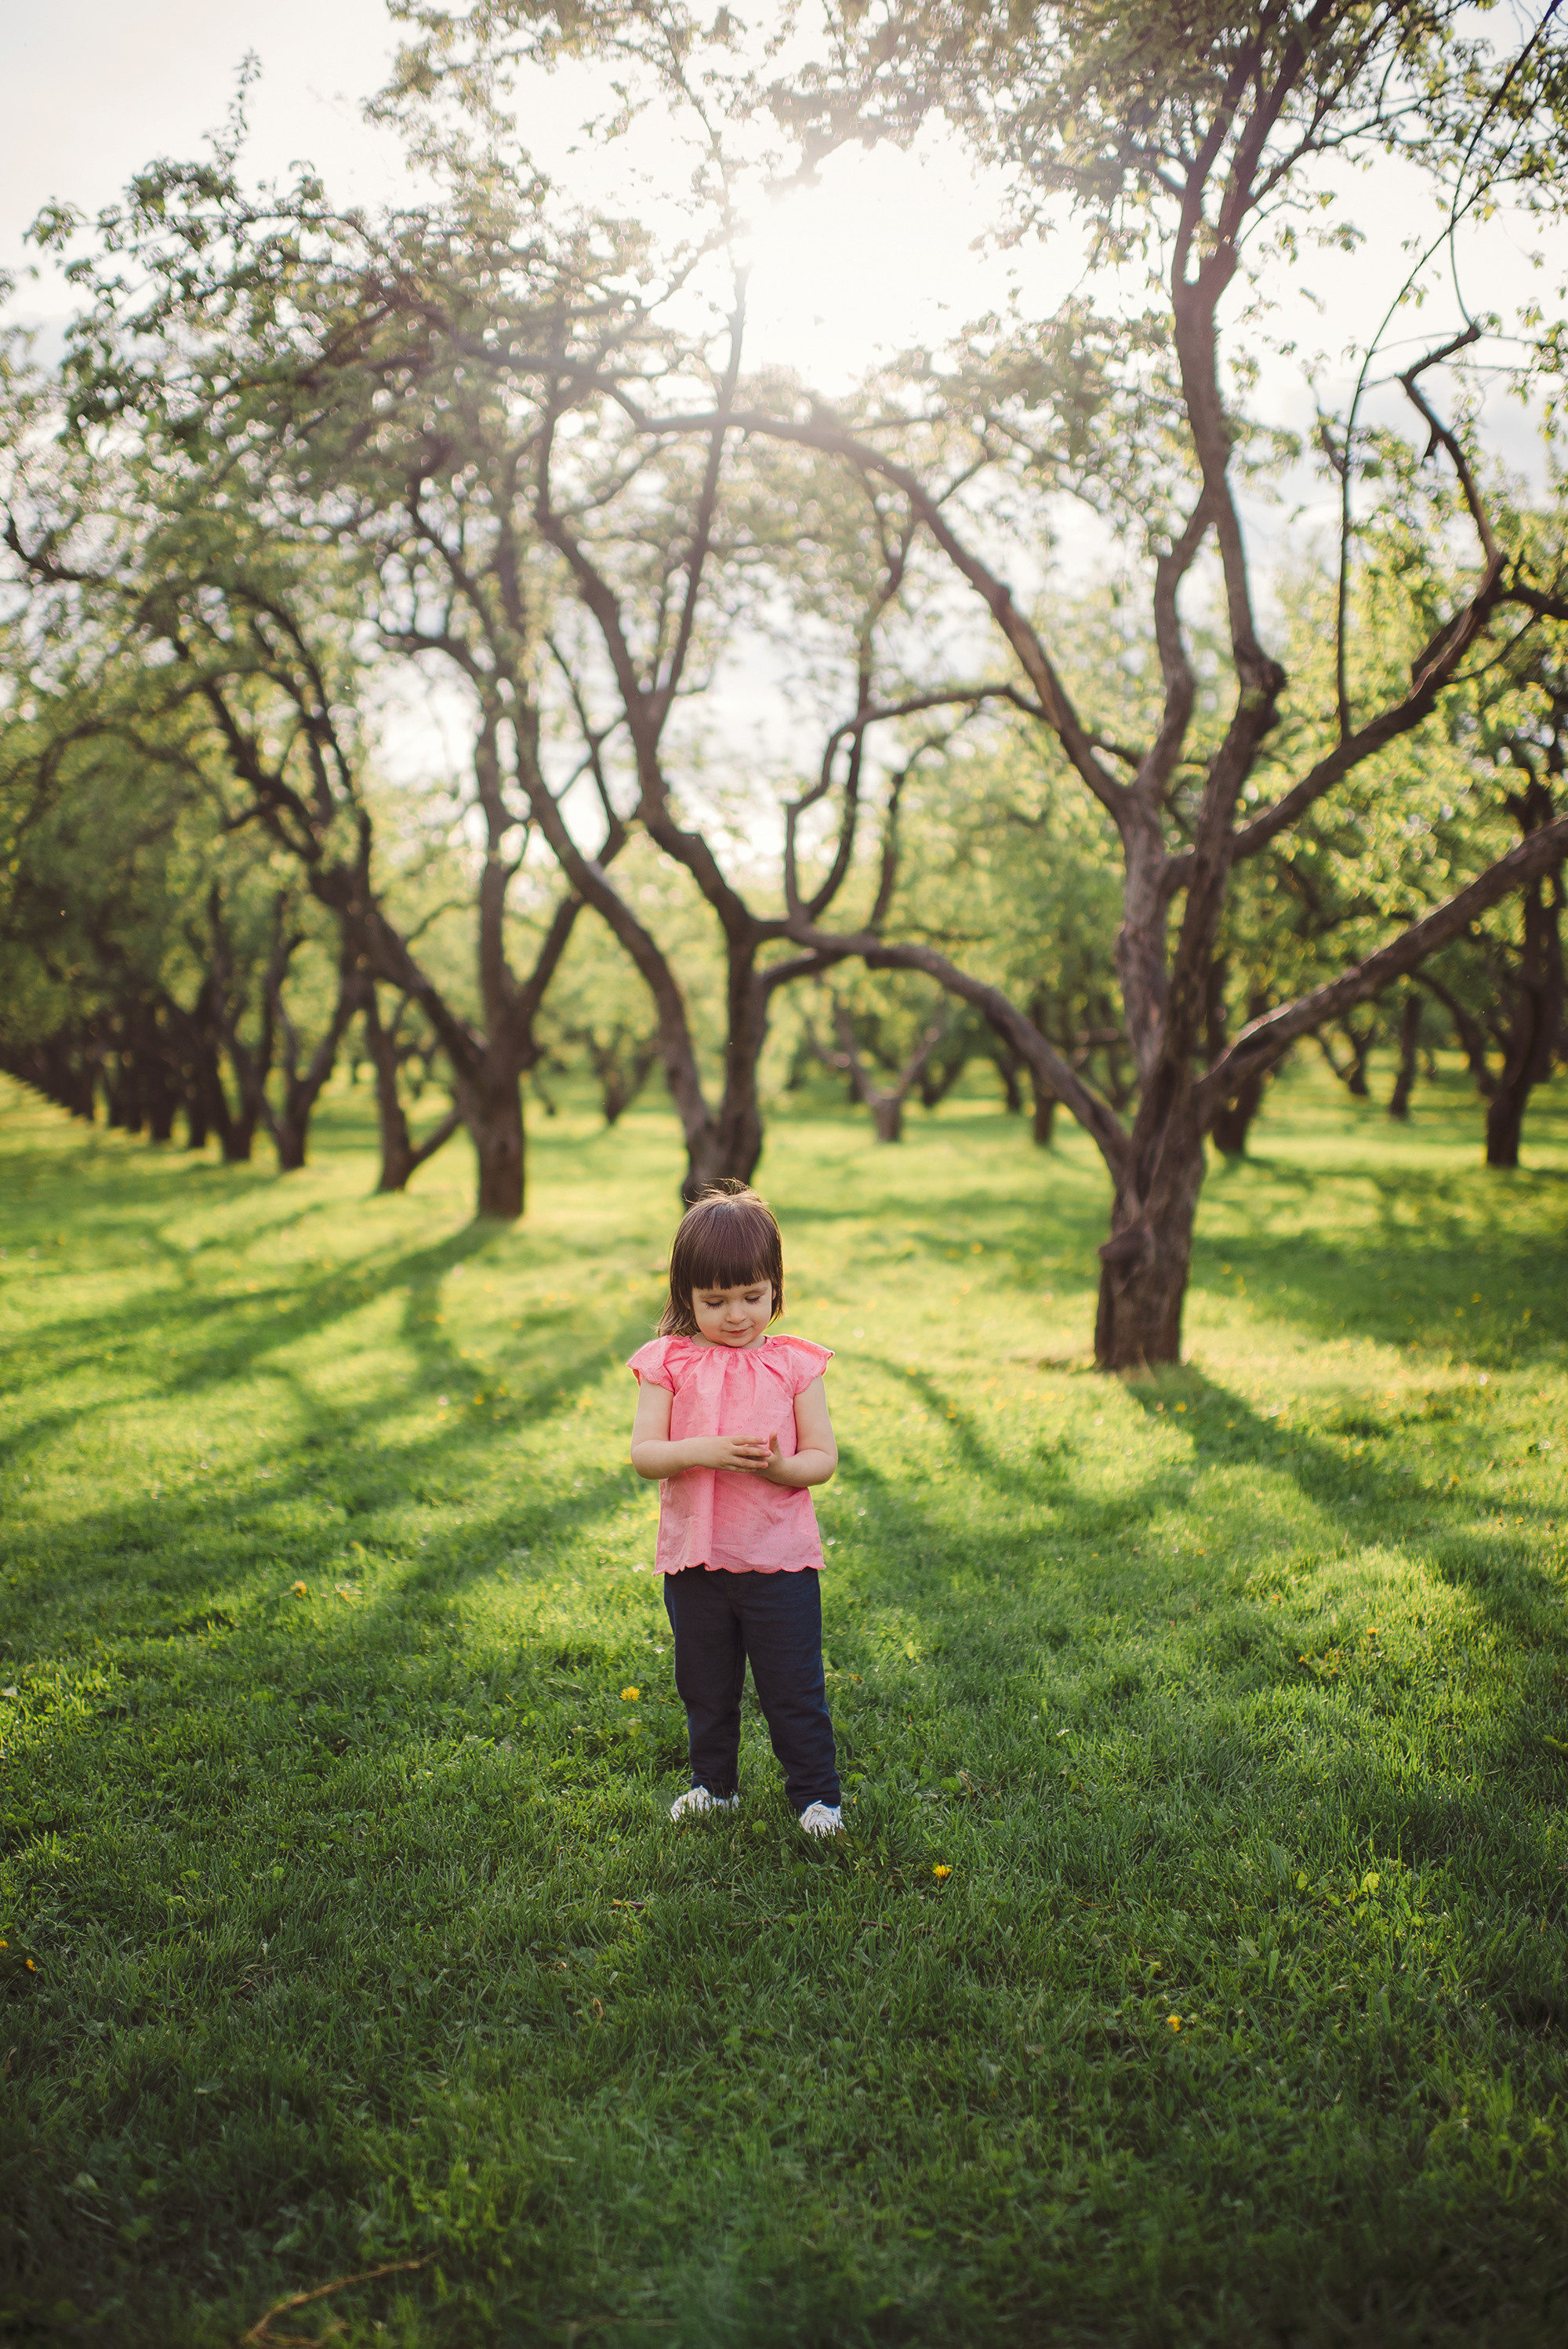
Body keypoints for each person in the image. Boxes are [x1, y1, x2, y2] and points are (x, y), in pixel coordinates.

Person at [628, 1180, 843, 1837]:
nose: (737, 1315)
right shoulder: (670, 1363)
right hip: (697, 1561)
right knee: (705, 1686)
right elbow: (645, 1454)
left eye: (753, 1296)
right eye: (714, 1301)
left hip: (779, 1561)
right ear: (685, 1297)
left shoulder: (795, 1365)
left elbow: (822, 1459)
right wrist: (705, 1450)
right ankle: (713, 1787)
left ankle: (817, 1798)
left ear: (775, 1286)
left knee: (794, 1688)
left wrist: (779, 1468)